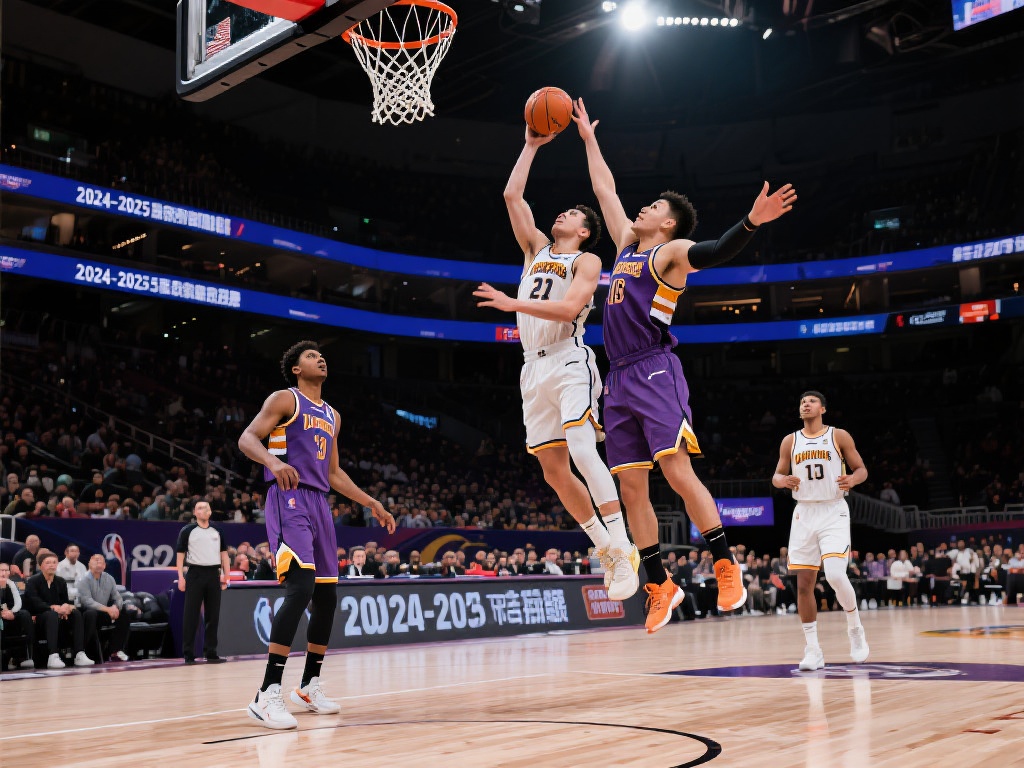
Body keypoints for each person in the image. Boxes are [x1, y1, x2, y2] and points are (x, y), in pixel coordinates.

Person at [573, 98, 796, 632]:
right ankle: (659, 583)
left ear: (667, 223)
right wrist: (588, 139)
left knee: (675, 471)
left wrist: (751, 221)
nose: (641, 209)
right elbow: (605, 188)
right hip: (619, 376)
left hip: (653, 368)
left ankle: (725, 564)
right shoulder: (628, 244)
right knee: (630, 487)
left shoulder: (671, 253)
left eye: (651, 206)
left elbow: (717, 249)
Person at [473, 125, 639, 601]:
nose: (560, 214)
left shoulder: (586, 262)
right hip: (532, 368)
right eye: (560, 212)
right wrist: (528, 144)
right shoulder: (534, 250)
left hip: (570, 360)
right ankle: (605, 548)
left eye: (570, 214)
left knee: (584, 451)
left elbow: (569, 311)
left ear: (584, 232)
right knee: (552, 469)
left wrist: (512, 305)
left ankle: (623, 545)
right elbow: (511, 194)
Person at [238, 340, 396, 730]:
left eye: (322, 355)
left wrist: (371, 501)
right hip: (288, 498)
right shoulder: (284, 399)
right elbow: (247, 439)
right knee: (300, 588)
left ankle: (309, 686)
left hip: (320, 504)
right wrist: (273, 462)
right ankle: (267, 692)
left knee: (327, 595)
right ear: (295, 368)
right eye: (310, 356)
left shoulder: (332, 416)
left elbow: (333, 473)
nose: (320, 358)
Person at [771, 391, 870, 670]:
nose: (805, 404)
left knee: (836, 575)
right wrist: (782, 481)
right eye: (802, 401)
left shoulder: (838, 436)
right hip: (803, 512)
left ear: (823, 408)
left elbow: (861, 469)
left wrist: (852, 478)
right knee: (803, 584)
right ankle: (813, 650)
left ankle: (855, 628)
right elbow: (777, 475)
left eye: (811, 401)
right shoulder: (790, 440)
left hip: (832, 510)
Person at [175, 500, 230, 663]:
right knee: (191, 614)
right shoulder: (187, 531)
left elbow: (224, 555)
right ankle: (188, 653)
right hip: (195, 573)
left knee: (213, 615)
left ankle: (211, 652)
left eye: (206, 507)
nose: (203, 510)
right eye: (199, 508)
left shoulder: (217, 531)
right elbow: (180, 556)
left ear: (210, 511)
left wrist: (227, 576)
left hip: (213, 573)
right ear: (194, 513)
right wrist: (180, 577)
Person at [23, 550, 93, 668]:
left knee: (75, 613)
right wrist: (53, 608)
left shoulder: (60, 581)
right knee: (51, 614)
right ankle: (53, 655)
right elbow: (34, 602)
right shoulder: (33, 581)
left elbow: (64, 600)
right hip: (39, 618)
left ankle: (79, 653)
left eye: (54, 562)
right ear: (40, 566)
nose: (52, 565)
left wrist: (66, 606)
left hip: (58, 616)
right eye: (48, 563)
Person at [77, 554, 133, 662]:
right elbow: (87, 601)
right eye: (95, 561)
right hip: (86, 612)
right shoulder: (83, 579)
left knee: (124, 613)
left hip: (104, 612)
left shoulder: (109, 578)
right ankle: (87, 652)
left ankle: (114, 651)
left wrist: (115, 607)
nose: (98, 564)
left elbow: (118, 598)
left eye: (101, 562)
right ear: (89, 564)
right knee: (91, 614)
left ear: (104, 566)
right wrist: (108, 609)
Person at [1, 561, 35, 669]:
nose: (4, 572)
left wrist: (12, 613)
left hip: (10, 614)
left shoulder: (11, 584)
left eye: (6, 570)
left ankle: (28, 656)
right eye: (1, 570)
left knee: (25, 614)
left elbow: (18, 602)